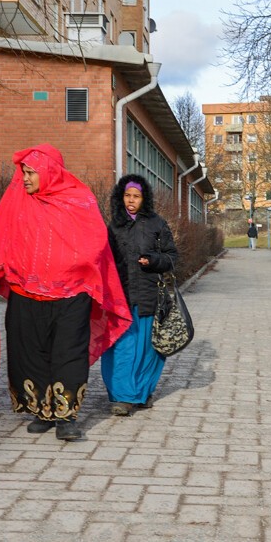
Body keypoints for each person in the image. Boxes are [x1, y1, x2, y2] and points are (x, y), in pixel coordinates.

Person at [0, 144, 131, 441]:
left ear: (49, 171)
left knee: (68, 353)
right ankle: (41, 411)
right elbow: (1, 236)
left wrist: (72, 265)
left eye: (31, 172)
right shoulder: (16, 200)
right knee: (30, 352)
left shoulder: (79, 199)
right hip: (26, 293)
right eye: (23, 172)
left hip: (71, 294)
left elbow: (96, 240)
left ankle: (66, 415)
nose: (25, 178)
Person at [101, 174, 179, 416]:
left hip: (149, 298)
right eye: (127, 195)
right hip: (121, 297)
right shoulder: (113, 226)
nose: (131, 200)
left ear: (144, 198)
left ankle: (142, 393)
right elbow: (104, 261)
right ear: (120, 197)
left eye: (136, 196)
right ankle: (123, 397)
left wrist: (154, 260)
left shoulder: (157, 224)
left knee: (149, 350)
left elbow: (171, 257)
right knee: (123, 348)